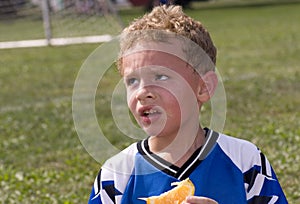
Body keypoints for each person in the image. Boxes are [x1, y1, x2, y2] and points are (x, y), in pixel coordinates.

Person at [88, 5, 287, 204]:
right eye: (132, 81)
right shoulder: (115, 176)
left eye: (161, 76)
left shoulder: (245, 161)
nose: (142, 92)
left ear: (203, 88)